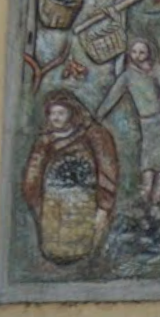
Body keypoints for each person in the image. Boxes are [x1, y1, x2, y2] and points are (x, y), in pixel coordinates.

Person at [22, 90, 119, 264]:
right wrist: (34, 198)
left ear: (72, 113)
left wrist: (104, 205)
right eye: (52, 113)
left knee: (79, 236)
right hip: (54, 196)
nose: (56, 118)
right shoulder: (45, 141)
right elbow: (34, 170)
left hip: (82, 196)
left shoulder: (91, 135)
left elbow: (106, 167)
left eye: (61, 113)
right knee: (55, 237)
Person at [96, 38, 160, 221]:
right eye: (134, 52)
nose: (137, 56)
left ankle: (156, 204)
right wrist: (99, 115)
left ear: (149, 53)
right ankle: (145, 204)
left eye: (142, 52)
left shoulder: (157, 70)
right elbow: (112, 96)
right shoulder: (127, 76)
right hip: (147, 123)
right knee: (147, 165)